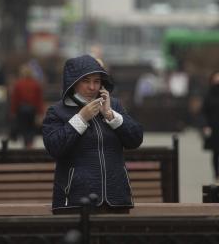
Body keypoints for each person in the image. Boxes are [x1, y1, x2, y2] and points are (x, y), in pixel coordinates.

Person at [42, 54, 143, 214]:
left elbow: (135, 139)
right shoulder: (57, 111)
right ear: (73, 83)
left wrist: (110, 115)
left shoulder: (114, 105)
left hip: (116, 199)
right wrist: (81, 118)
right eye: (86, 81)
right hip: (75, 201)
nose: (92, 87)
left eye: (96, 81)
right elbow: (55, 147)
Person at [10, 64, 44, 149]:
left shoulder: (18, 84)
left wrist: (13, 111)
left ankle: (26, 145)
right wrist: (40, 112)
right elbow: (39, 99)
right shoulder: (36, 84)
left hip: (21, 110)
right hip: (32, 110)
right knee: (31, 128)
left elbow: (15, 99)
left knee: (24, 128)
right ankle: (30, 144)